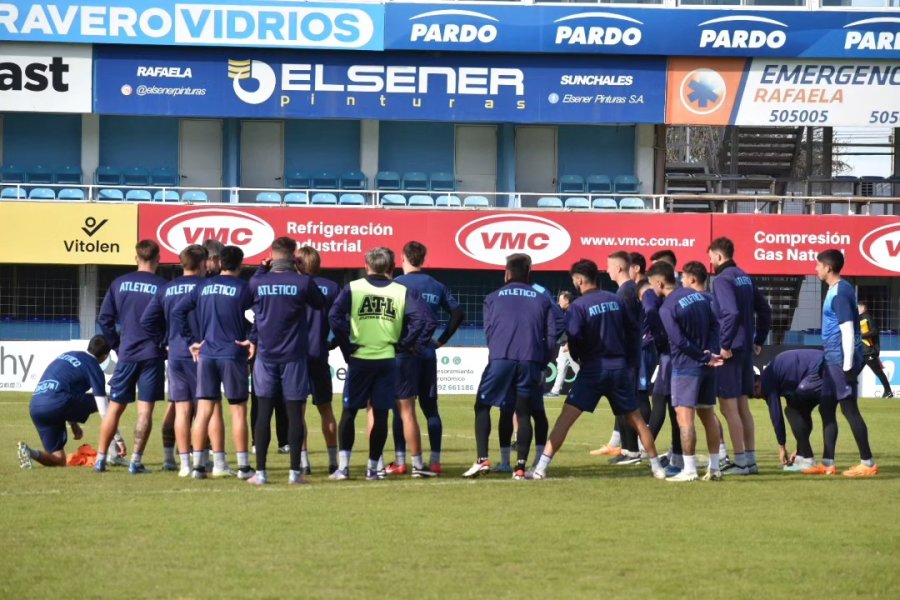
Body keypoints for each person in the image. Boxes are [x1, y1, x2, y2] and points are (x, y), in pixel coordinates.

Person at [529, 260, 666, 481]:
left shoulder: (579, 306)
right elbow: (633, 332)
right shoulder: (616, 300)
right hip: (620, 369)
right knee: (638, 421)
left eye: (574, 280)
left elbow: (574, 338)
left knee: (565, 419)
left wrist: (580, 358)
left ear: (580, 280)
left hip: (593, 370)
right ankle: (656, 466)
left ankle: (540, 468)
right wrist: (630, 362)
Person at [327, 247, 433, 481]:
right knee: (382, 414)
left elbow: (334, 316)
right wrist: (407, 344)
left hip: (360, 359)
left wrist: (347, 346)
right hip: (387, 359)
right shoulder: (401, 290)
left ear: (366, 266)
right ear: (389, 267)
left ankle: (343, 468)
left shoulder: (353, 288)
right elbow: (425, 319)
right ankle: (373, 468)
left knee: (350, 412)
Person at [463, 253, 558, 480]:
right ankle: (520, 468)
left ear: (506, 273)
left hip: (502, 358)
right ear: (529, 273)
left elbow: (489, 330)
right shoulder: (542, 298)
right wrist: (542, 359)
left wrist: (499, 350)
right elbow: (553, 333)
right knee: (524, 412)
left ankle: (482, 459)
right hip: (530, 360)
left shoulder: (493, 297)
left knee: (482, 405)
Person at [245, 237, 325, 486]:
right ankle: (294, 474)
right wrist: (302, 272)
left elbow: (246, 300)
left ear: (271, 254)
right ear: (294, 256)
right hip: (293, 357)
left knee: (263, 413)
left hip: (266, 357)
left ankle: (261, 473)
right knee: (293, 414)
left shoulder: (258, 281)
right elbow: (320, 303)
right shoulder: (302, 282)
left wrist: (261, 268)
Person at [173, 245, 256, 480]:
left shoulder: (203, 286)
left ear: (220, 263)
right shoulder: (243, 288)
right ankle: (243, 467)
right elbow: (259, 315)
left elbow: (178, 312)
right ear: (241, 264)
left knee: (204, 411)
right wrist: (252, 339)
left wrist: (191, 341)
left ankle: (198, 467)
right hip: (232, 353)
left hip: (207, 354)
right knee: (238, 411)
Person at [387, 241, 465, 475]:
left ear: (403, 258)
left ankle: (401, 462)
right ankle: (435, 461)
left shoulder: (396, 284)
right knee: (430, 408)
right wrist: (441, 340)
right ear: (423, 258)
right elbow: (458, 312)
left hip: (404, 352)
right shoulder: (436, 285)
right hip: (427, 352)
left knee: (401, 408)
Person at [95, 240, 168, 475]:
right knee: (145, 411)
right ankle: (136, 461)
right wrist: (163, 342)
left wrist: (117, 344)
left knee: (115, 408)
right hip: (152, 355)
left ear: (136, 258)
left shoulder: (119, 283)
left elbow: (104, 319)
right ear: (158, 258)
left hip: (127, 354)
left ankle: (100, 459)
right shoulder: (163, 286)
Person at [803, 250, 878, 478]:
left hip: (839, 359)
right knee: (827, 407)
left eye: (818, 265)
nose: (815, 268)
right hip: (832, 357)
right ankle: (827, 463)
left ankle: (868, 462)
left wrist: (846, 368)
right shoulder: (838, 290)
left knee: (849, 408)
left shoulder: (840, 293)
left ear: (828, 268)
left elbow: (847, 330)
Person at [650, 261, 724, 482]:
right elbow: (715, 325)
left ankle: (689, 469)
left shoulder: (666, 307)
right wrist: (711, 353)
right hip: (707, 366)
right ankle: (715, 467)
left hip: (685, 367)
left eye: (652, 284)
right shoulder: (701, 297)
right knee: (708, 416)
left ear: (659, 282)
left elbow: (678, 340)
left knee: (685, 420)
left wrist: (702, 356)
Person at [140, 244, 208, 477]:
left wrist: (164, 342)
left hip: (176, 354)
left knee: (181, 410)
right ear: (203, 264)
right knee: (204, 408)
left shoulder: (166, 289)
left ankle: (185, 464)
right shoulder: (206, 287)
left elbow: (147, 321)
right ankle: (203, 459)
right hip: (201, 353)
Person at [707, 237, 772, 476]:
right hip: (744, 348)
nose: (710, 262)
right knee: (743, 406)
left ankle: (742, 462)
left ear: (719, 256)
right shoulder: (744, 275)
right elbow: (765, 308)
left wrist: (724, 345)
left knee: (728, 407)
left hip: (731, 351)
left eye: (711, 257)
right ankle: (750, 460)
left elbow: (731, 312)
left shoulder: (723, 279)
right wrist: (758, 339)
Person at [17, 336, 125, 468]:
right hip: (58, 403)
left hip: (36, 405)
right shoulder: (94, 368)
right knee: (110, 402)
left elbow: (64, 387)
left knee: (59, 460)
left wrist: (73, 423)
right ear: (105, 355)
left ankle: (29, 452)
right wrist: (118, 439)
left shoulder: (68, 354)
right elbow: (104, 409)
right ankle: (113, 455)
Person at [296, 245, 340, 475]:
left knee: (298, 412)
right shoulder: (332, 287)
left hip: (296, 357)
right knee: (326, 409)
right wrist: (333, 342)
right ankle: (333, 460)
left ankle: (304, 462)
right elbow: (339, 320)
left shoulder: (293, 285)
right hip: (320, 355)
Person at [755, 349, 827, 472]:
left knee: (791, 411)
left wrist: (782, 447)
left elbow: (776, 417)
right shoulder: (780, 379)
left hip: (819, 368)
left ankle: (808, 459)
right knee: (798, 410)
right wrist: (800, 448)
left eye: (756, 395)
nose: (760, 397)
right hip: (824, 364)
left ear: (757, 385)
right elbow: (801, 418)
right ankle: (802, 455)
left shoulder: (767, 382)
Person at [545, 291, 579, 397]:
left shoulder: (573, 312)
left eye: (561, 300)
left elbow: (575, 329)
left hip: (571, 345)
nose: (559, 302)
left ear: (567, 301)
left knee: (578, 369)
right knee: (561, 367)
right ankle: (555, 391)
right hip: (564, 344)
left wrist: (569, 344)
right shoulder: (564, 311)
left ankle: (580, 390)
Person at [858, 301, 893, 398]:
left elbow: (874, 332)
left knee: (878, 372)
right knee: (854, 372)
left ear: (862, 308)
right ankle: (844, 392)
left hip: (869, 351)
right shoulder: (861, 319)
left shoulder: (867, 318)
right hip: (863, 352)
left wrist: (862, 336)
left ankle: (888, 391)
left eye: (858, 308)